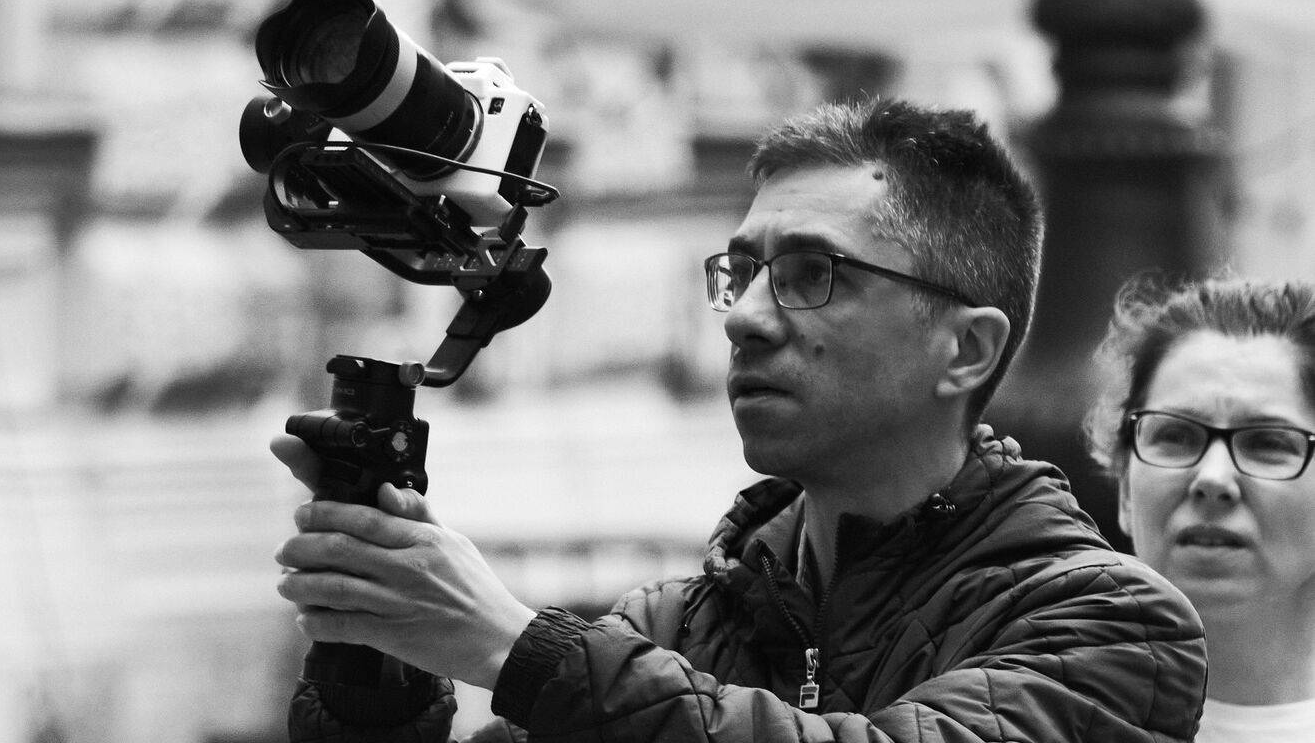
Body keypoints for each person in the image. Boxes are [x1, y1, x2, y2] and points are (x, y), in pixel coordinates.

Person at [273, 97, 1206, 742]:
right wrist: (375, 650)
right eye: (742, 272)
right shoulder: (667, 627)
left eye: (812, 273)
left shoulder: (1111, 627)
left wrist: (512, 646)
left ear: (965, 349)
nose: (745, 317)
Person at [1085, 274, 1315, 743]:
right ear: (1125, 488)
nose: (1212, 478)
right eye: (1174, 435)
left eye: (1268, 443)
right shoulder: (1033, 713)